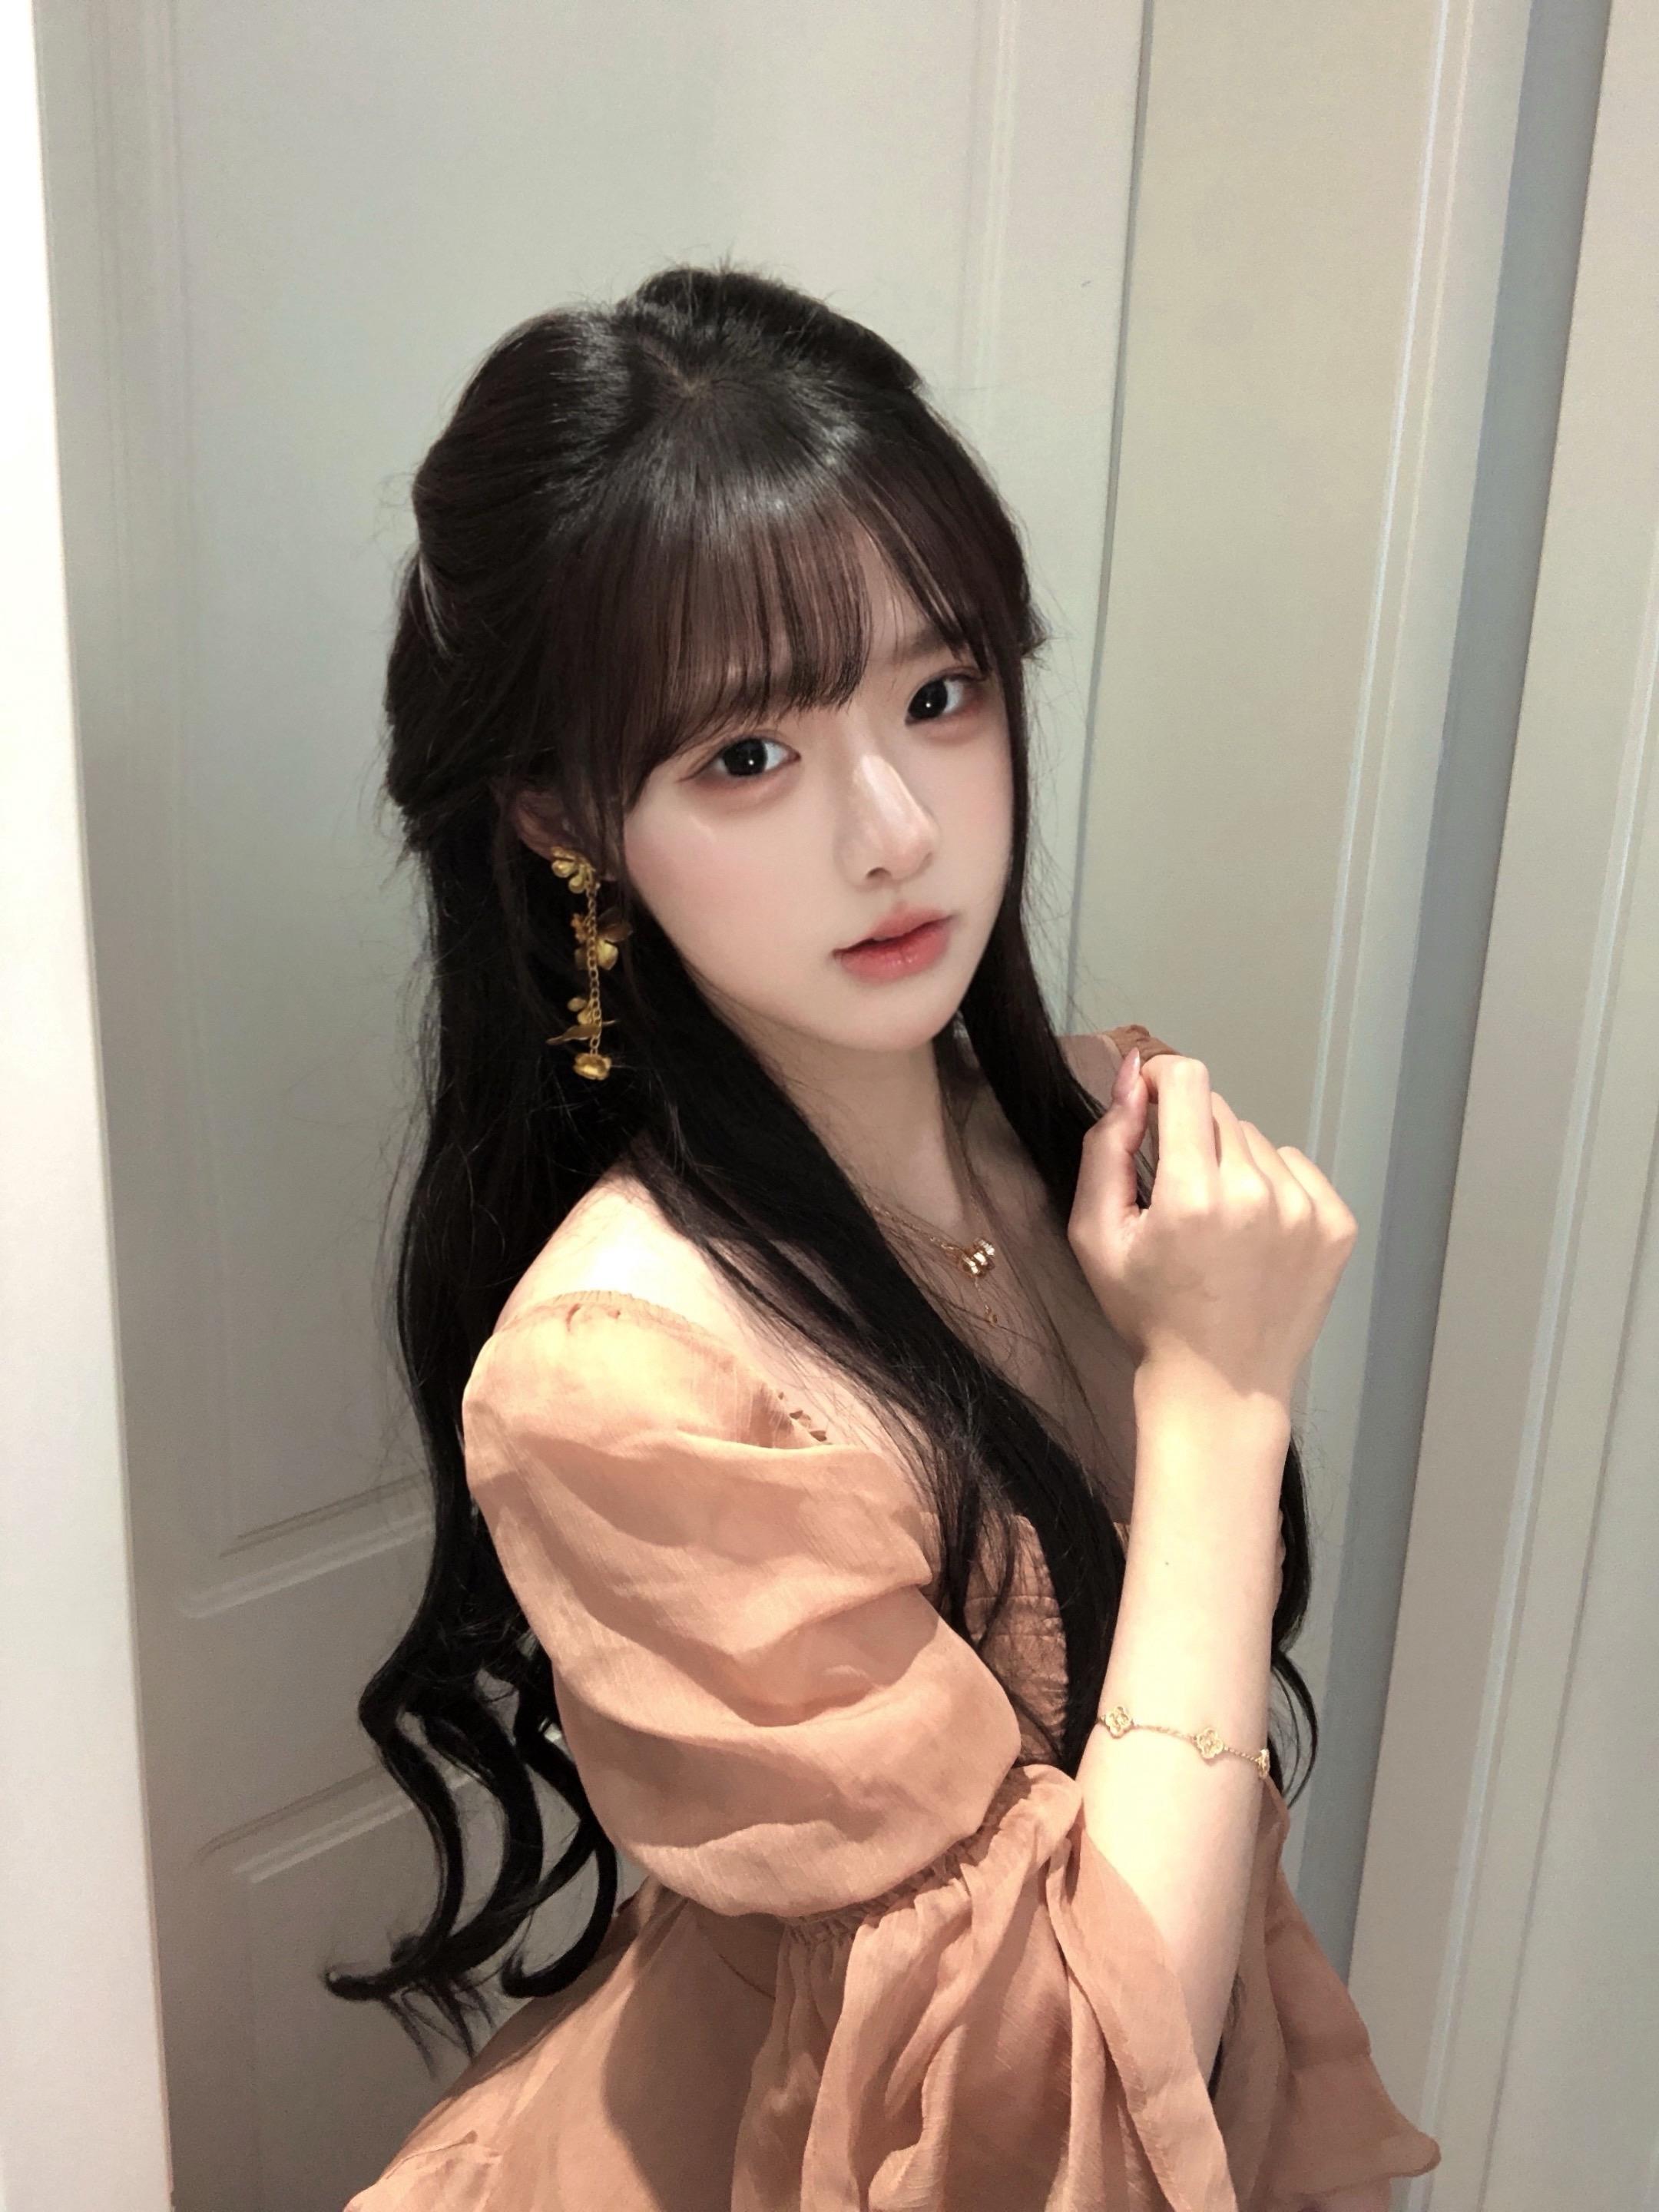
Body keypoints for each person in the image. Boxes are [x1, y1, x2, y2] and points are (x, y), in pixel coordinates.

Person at [329, 261, 1441, 2210]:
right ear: (567, 820)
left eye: (939, 695)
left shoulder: (1098, 1131)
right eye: (744, 758)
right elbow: (1070, 2098)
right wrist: (1218, 1399)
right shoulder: (627, 1378)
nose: (896, 830)